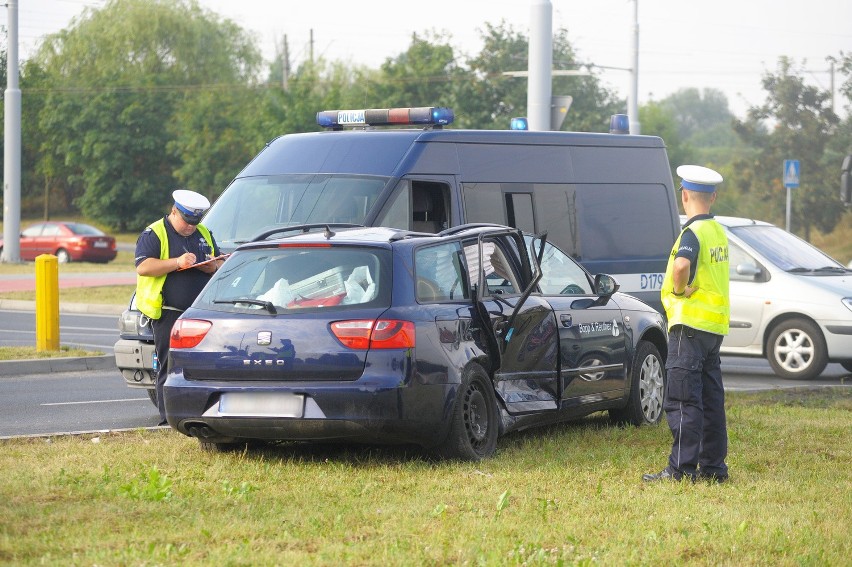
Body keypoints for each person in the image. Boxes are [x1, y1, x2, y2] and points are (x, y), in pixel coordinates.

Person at [644, 165, 731, 484]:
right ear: (713, 198)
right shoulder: (717, 231)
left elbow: (681, 265)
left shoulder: (692, 232)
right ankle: (713, 468)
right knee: (710, 401)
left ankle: (679, 470)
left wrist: (679, 290)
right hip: (712, 330)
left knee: (682, 400)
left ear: (684, 196)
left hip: (689, 326)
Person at [135, 189, 224, 425]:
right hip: (169, 312)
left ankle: (200, 413)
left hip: (201, 313)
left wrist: (211, 266)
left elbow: (219, 260)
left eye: (195, 222)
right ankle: (168, 418)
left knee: (203, 363)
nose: (190, 227)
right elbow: (143, 266)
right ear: (174, 211)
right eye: (187, 221)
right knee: (169, 363)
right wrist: (177, 263)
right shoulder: (154, 233)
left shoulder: (203, 232)